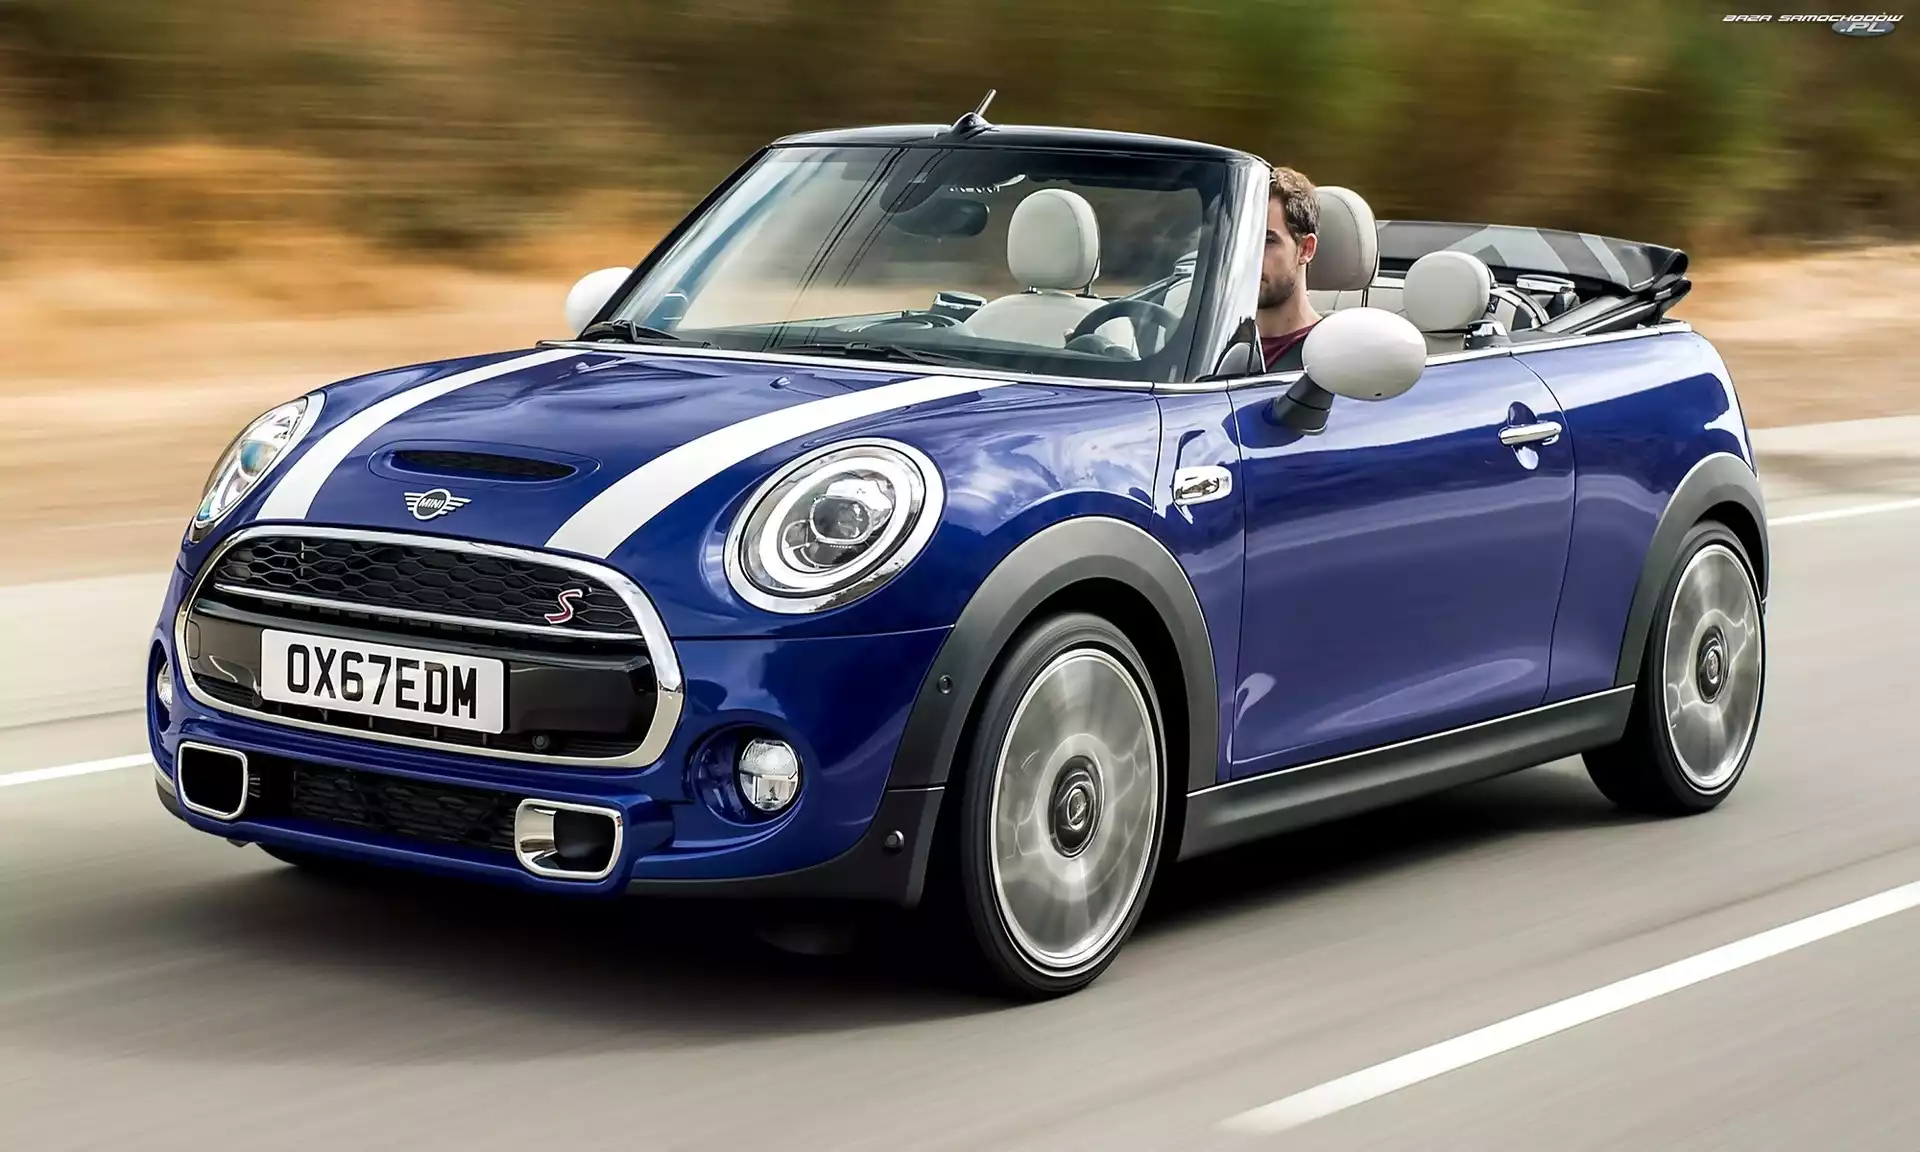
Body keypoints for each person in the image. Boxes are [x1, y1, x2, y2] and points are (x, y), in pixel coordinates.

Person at [1259, 167, 1321, 371]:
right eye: (1241, 240)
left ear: (1305, 249)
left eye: (1267, 241)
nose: (1249, 255)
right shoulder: (1206, 347)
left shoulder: (1334, 355)